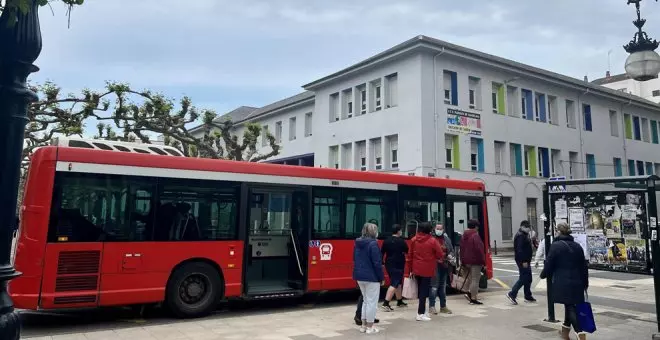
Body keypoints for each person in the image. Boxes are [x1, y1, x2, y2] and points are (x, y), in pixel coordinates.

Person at [540, 223, 589, 340]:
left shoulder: (556, 246)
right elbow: (584, 266)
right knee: (570, 305)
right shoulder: (577, 246)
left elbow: (549, 263)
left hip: (563, 281)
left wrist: (543, 274)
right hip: (578, 281)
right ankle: (565, 333)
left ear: (558, 232)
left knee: (570, 306)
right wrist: (585, 283)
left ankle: (580, 333)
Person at [407, 222, 444, 321]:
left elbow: (409, 256)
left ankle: (422, 310)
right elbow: (440, 254)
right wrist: (435, 258)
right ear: (429, 230)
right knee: (424, 291)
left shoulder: (414, 240)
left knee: (420, 290)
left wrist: (410, 270)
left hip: (416, 268)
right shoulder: (432, 241)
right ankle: (420, 313)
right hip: (427, 268)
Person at [352, 223, 384, 334]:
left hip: (359, 276)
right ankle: (370, 327)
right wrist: (381, 277)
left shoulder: (357, 243)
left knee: (366, 301)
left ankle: (364, 326)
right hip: (372, 277)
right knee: (372, 303)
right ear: (373, 232)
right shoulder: (373, 244)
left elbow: (354, 258)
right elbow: (377, 263)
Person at [506, 220, 537, 305]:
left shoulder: (525, 235)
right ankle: (512, 294)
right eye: (527, 227)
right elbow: (519, 250)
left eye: (529, 228)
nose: (528, 229)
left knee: (528, 278)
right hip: (523, 260)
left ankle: (528, 295)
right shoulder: (520, 236)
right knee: (524, 278)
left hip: (526, 260)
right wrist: (523, 261)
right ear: (522, 227)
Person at [381, 224, 408, 311]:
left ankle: (399, 301)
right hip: (398, 264)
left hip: (389, 263)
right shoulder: (401, 241)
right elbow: (407, 250)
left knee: (398, 282)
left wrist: (382, 262)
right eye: (401, 230)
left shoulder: (386, 241)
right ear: (398, 231)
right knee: (394, 283)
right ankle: (386, 303)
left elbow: (382, 252)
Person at [428, 223, 454, 315]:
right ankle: (432, 306)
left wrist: (450, 255)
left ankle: (443, 306)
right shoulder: (431, 239)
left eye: (440, 229)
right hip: (434, 265)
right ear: (434, 229)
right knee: (434, 286)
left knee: (442, 287)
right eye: (437, 228)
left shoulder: (446, 239)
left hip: (444, 265)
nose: (439, 230)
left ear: (443, 229)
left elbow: (451, 250)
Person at [460, 219, 485, 305]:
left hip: (466, 261)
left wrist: (462, 260)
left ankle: (468, 293)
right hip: (475, 261)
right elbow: (479, 249)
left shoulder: (464, 235)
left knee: (470, 279)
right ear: (476, 227)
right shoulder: (475, 235)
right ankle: (473, 298)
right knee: (475, 280)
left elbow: (461, 249)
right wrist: (483, 261)